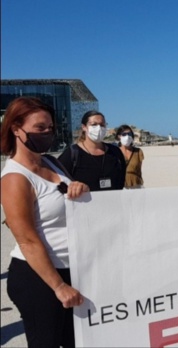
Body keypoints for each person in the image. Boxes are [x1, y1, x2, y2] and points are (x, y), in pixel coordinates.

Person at [0, 97, 89, 347]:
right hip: (40, 278)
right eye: (40, 128)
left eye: (50, 128)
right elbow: (27, 239)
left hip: (73, 269)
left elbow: (71, 202)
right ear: (16, 129)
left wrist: (82, 188)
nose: (48, 133)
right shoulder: (14, 178)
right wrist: (59, 286)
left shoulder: (51, 161)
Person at [58, 110, 126, 191]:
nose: (99, 128)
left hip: (113, 201)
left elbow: (121, 180)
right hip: (84, 203)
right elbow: (60, 183)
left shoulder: (115, 152)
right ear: (84, 127)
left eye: (102, 125)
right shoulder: (71, 154)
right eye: (94, 124)